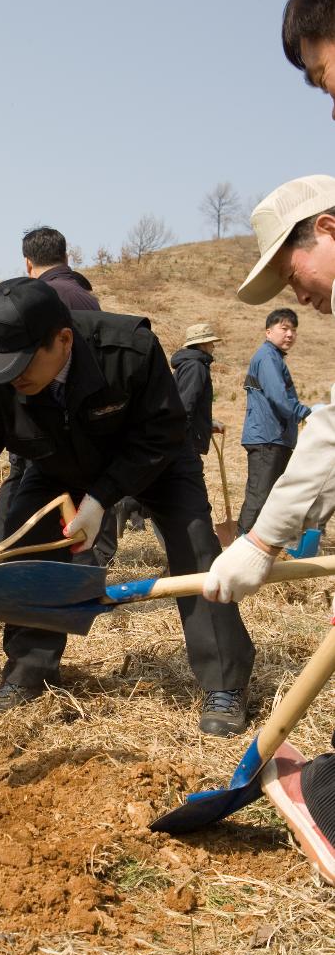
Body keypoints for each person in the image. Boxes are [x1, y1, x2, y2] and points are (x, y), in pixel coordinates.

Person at [0, 277, 255, 732]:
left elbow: (162, 430)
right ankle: (28, 671)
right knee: (27, 547)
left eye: (21, 363)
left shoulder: (128, 349)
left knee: (195, 548)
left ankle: (225, 682)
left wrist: (103, 497)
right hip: (56, 464)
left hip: (154, 459)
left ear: (63, 340)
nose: (12, 377)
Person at [203, 173, 335, 879]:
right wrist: (260, 538)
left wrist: (259, 541)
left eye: (291, 272)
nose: (299, 299)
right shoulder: (264, 359)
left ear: (329, 229)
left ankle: (323, 799)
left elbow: (331, 435)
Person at [0, 227, 113, 563]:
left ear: (28, 263)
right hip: (94, 419)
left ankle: (15, 553)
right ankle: (92, 555)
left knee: (29, 491)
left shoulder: (35, 299)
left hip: (45, 419)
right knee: (94, 490)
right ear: (67, 257)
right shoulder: (88, 297)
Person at [237, 307, 311, 534]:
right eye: (284, 328)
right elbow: (278, 397)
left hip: (274, 437)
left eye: (294, 330)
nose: (290, 334)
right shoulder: (268, 357)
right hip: (267, 438)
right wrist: (306, 413)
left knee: (269, 497)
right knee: (259, 496)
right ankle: (239, 546)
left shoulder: (273, 357)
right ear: (268, 331)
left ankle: (255, 546)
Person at [171, 323, 225, 454]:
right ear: (202, 345)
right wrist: (181, 439)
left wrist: (208, 423)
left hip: (185, 440)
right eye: (210, 342)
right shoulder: (195, 367)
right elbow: (186, 405)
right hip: (186, 443)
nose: (213, 346)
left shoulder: (191, 365)